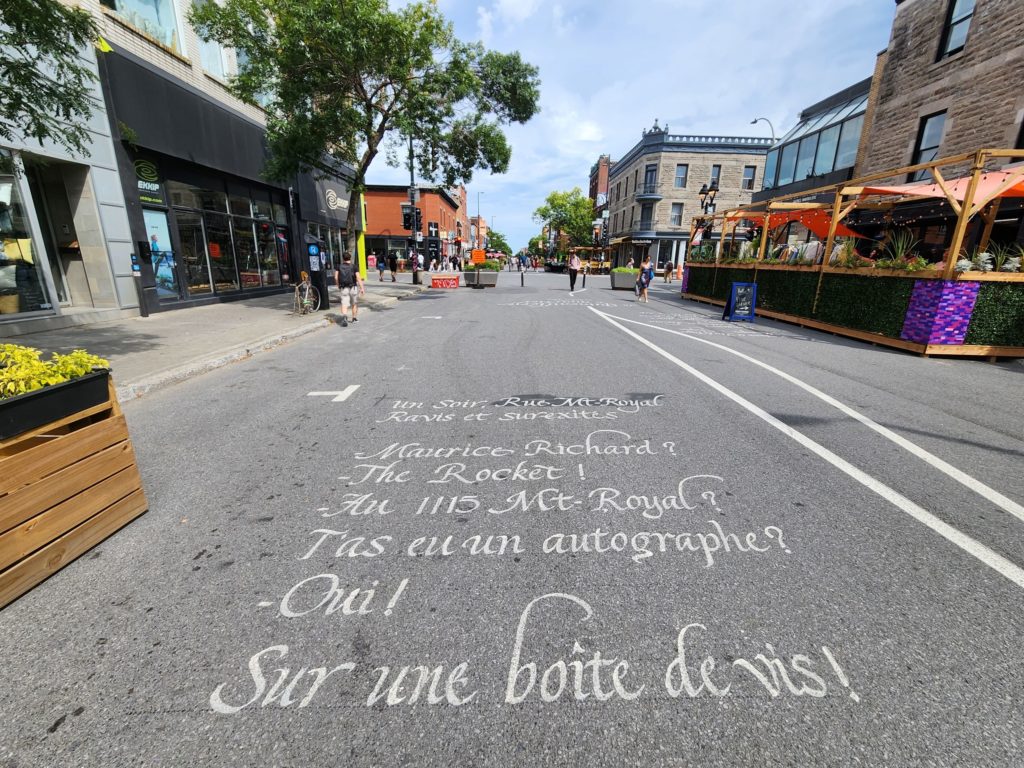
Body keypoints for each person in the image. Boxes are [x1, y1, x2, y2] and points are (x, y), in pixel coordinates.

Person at [335, 251, 364, 327]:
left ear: (343, 258)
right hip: (353, 287)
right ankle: (354, 318)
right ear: (350, 258)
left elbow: (335, 277)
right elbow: (358, 277)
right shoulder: (354, 266)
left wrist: (338, 285)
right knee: (354, 303)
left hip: (343, 287)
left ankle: (344, 317)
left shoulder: (339, 266)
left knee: (344, 303)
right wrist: (362, 288)